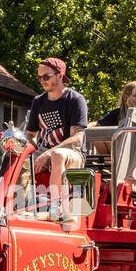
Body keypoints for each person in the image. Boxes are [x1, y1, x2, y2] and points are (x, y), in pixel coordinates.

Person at [25, 57, 88, 221]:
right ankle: (13, 205)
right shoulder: (38, 101)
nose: (42, 81)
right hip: (44, 151)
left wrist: (49, 153)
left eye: (46, 77)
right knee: (14, 156)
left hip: (72, 154)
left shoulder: (75, 99)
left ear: (60, 75)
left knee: (57, 155)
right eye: (39, 78)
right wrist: (26, 152)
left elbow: (78, 138)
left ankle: (55, 208)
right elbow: (30, 135)